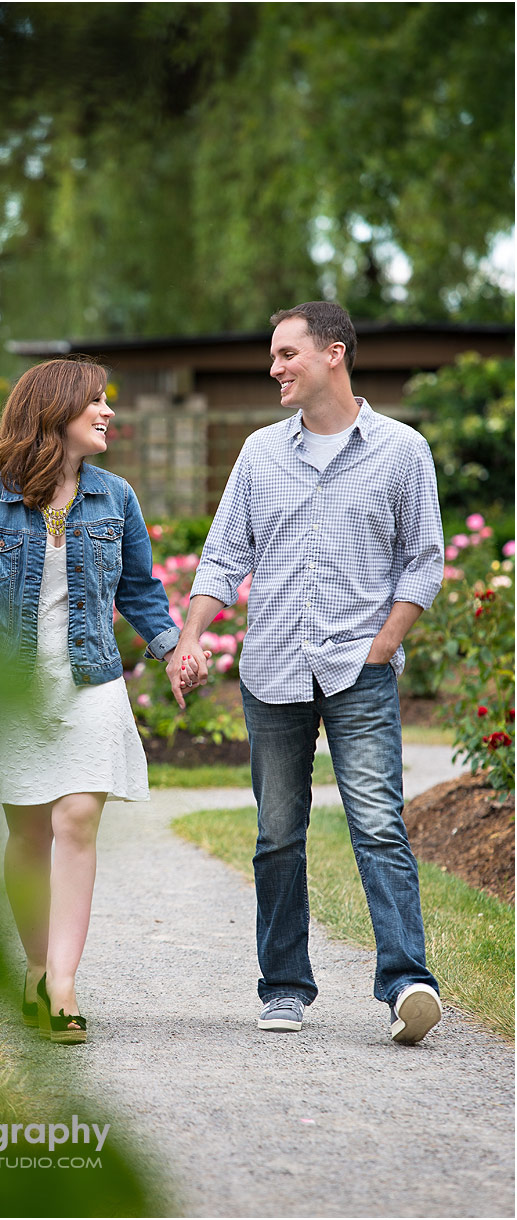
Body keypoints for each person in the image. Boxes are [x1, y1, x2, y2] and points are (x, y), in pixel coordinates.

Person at [167, 301, 445, 1044]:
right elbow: (224, 556)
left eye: (286, 353)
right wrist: (191, 637)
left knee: (378, 825)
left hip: (360, 670)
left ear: (333, 354)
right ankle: (285, 985)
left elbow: (423, 561)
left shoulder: (399, 451)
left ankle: (406, 982)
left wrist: (381, 649)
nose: (273, 367)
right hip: (272, 671)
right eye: (271, 355)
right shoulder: (260, 453)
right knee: (276, 834)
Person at [0, 358, 180, 1044]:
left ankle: (63, 982)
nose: (108, 413)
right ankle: (35, 966)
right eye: (96, 402)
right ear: (53, 413)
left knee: (76, 819)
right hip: (11, 685)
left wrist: (173, 651)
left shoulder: (117, 498)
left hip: (91, 682)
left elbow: (139, 589)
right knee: (26, 833)